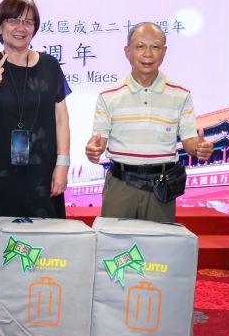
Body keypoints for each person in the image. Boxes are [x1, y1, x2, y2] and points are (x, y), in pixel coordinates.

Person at [0, 0, 71, 257]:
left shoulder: (49, 66)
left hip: (42, 171)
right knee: (2, 250)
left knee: (44, 247)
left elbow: (62, 118)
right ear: (0, 26)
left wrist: (62, 164)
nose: (21, 27)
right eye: (13, 20)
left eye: (28, 21)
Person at [85, 22, 213, 222]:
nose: (148, 54)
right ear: (127, 51)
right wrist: (93, 149)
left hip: (161, 187)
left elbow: (189, 141)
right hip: (120, 185)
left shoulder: (181, 94)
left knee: (159, 242)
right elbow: (98, 140)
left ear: (164, 52)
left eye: (155, 47)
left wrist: (199, 148)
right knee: (114, 241)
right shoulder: (109, 96)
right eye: (140, 46)